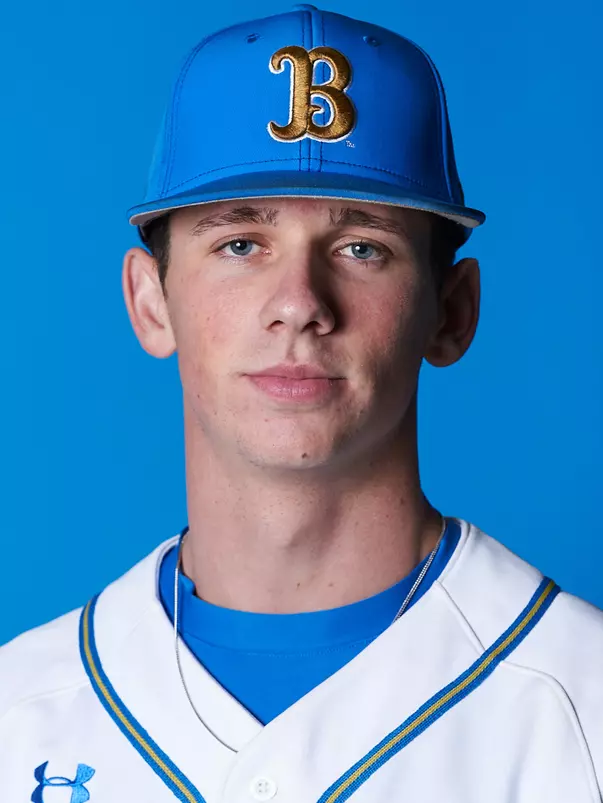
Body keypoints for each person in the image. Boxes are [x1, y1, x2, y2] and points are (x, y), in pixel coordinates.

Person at [2, 5, 602, 802]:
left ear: (450, 311)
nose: (297, 303)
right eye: (240, 244)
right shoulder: (19, 714)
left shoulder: (581, 703)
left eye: (362, 247)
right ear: (151, 302)